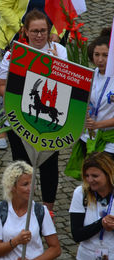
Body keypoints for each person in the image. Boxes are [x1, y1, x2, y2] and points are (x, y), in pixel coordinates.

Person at [0, 9, 67, 212]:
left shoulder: (59, 51)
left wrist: (57, 64)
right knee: (20, 165)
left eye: (43, 30)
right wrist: (17, 93)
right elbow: (1, 87)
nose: (39, 35)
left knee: (49, 164)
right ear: (25, 31)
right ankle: (21, 207)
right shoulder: (13, 54)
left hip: (48, 120)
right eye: (34, 31)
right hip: (18, 119)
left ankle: (48, 210)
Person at [0, 161, 61, 260]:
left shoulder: (41, 211)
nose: (31, 188)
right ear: (12, 187)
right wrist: (16, 241)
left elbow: (55, 249)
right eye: (25, 184)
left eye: (32, 183)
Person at [65, 28, 114, 179]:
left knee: (105, 178)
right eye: (97, 55)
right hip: (88, 137)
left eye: (105, 55)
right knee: (90, 178)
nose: (100, 59)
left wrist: (98, 125)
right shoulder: (88, 76)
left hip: (109, 140)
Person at [69, 152, 114, 259]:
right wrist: (101, 223)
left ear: (108, 174)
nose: (90, 180)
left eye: (95, 176)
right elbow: (77, 235)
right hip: (86, 255)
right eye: (87, 176)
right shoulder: (81, 193)